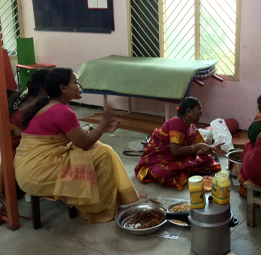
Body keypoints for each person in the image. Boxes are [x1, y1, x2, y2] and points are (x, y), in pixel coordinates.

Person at [14, 68, 141, 223]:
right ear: (63, 88)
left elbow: (78, 138)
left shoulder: (50, 104)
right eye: (75, 82)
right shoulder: (62, 111)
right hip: (38, 171)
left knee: (102, 148)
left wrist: (102, 129)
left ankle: (111, 198)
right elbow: (85, 143)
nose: (80, 85)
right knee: (102, 155)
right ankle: (98, 209)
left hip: (30, 167)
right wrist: (102, 124)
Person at [135, 97, 224, 191]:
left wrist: (212, 148)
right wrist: (199, 146)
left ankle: (187, 171)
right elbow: (175, 151)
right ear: (189, 111)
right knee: (163, 173)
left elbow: (196, 151)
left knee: (207, 159)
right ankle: (191, 172)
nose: (201, 112)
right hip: (161, 160)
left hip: (180, 157)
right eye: (199, 109)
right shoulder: (176, 123)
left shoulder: (190, 126)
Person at [0, 69, 50, 198]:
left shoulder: (21, 98)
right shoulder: (42, 105)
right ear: (42, 89)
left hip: (12, 144)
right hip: (25, 149)